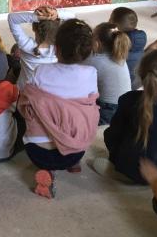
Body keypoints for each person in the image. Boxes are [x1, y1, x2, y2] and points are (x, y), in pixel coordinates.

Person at [18, 19, 99, 199]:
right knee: (86, 112)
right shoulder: (91, 73)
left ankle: (48, 171)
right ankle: (74, 163)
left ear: (56, 48)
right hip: (74, 150)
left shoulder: (40, 71)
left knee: (30, 105)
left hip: (37, 153)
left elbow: (25, 102)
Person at [92, 49, 157, 185]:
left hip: (131, 169)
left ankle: (122, 175)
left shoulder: (128, 99)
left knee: (98, 161)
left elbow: (113, 136)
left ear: (141, 73)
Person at [7, 6, 74, 90]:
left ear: (33, 28)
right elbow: (72, 16)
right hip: (49, 92)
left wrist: (35, 17)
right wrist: (56, 14)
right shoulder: (60, 47)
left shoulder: (26, 45)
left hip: (24, 92)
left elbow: (12, 18)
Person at [83, 22, 131, 125]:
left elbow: (75, 67)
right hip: (126, 103)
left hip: (108, 108)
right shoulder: (120, 55)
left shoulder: (95, 60)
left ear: (96, 43)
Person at [109, 7, 147, 88]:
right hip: (138, 81)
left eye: (110, 18)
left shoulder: (116, 41)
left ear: (114, 24)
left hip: (124, 84)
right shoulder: (141, 37)